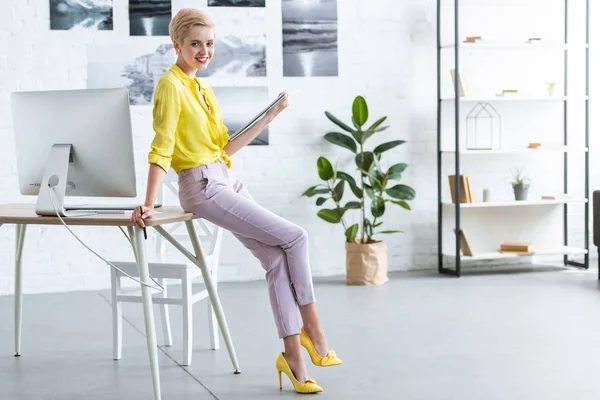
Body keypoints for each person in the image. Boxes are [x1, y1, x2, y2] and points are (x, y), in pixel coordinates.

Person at [130, 8, 342, 394]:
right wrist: (148, 202)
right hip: (202, 187)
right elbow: (161, 149)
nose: (204, 51)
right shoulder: (169, 86)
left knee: (278, 259)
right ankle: (313, 328)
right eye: (195, 44)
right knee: (295, 237)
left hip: (223, 178)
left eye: (209, 44)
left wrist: (269, 117)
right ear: (176, 44)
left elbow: (223, 151)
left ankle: (293, 358)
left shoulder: (203, 89)